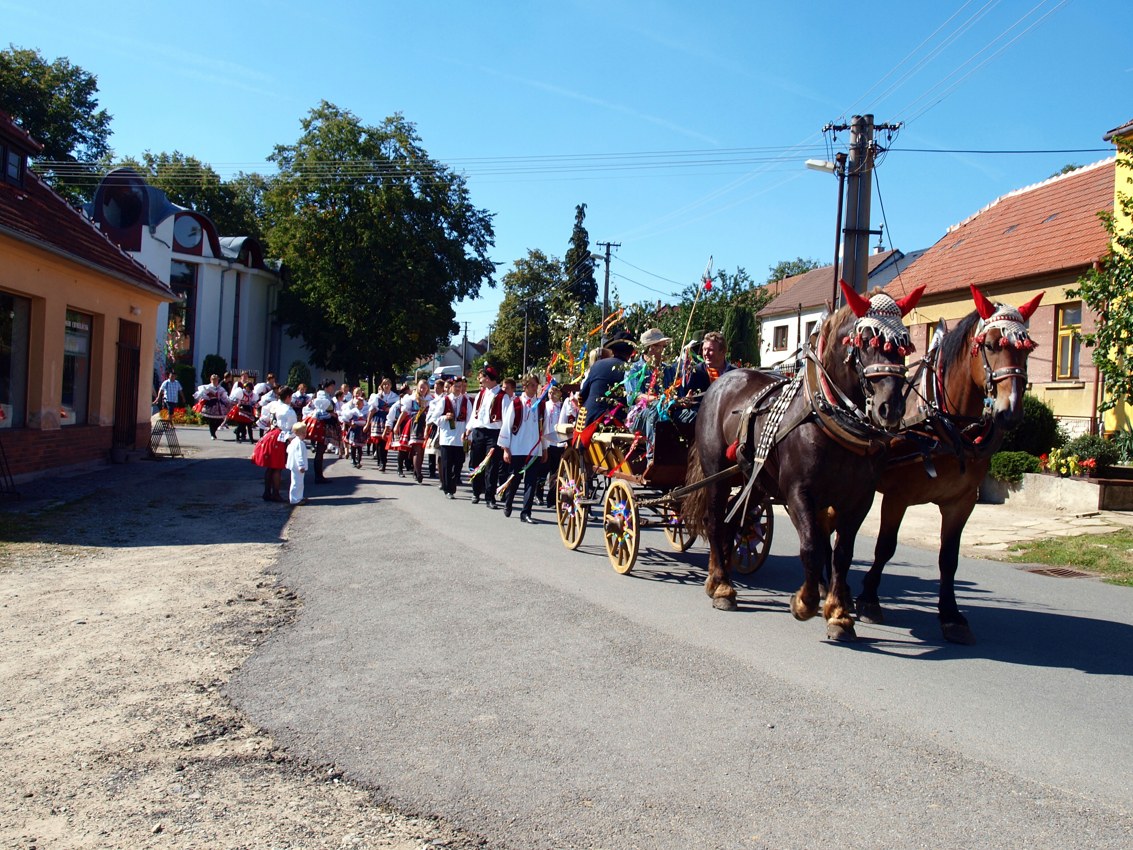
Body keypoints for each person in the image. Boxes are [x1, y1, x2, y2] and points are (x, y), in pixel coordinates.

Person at [497, 373, 551, 523]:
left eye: (536, 385)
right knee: (515, 479)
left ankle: (526, 512)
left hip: (534, 449)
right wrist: (506, 449)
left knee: (531, 482)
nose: (534, 388)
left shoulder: (541, 405)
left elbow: (544, 428)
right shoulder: (516, 403)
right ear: (525, 386)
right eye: (532, 385)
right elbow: (507, 426)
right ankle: (508, 502)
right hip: (517, 448)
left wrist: (545, 448)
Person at [625, 328, 676, 470]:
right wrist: (658, 399)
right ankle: (652, 459)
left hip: (666, 411)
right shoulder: (634, 369)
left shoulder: (668, 369)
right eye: (660, 346)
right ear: (650, 348)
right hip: (639, 416)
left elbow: (675, 391)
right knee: (653, 411)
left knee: (690, 414)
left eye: (664, 346)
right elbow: (634, 396)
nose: (663, 350)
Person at [577, 330, 637, 436]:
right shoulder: (632, 370)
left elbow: (582, 394)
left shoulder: (597, 365)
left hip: (589, 421)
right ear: (631, 353)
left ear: (612, 350)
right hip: (617, 423)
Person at [467, 365, 507, 508]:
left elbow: (506, 420)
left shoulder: (502, 396)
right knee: (475, 462)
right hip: (479, 431)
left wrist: (504, 439)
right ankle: (476, 492)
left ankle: (490, 497)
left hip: (493, 433)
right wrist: (468, 429)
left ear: (488, 378)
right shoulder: (481, 394)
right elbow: (474, 414)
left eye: (482, 377)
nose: (480, 380)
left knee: (491, 466)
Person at [253, 385, 296, 502]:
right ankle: (275, 493)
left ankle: (267, 492)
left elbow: (264, 416)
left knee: (270, 467)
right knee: (277, 467)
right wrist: (292, 441)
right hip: (280, 436)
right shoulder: (289, 410)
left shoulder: (273, 405)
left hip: (270, 434)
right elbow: (292, 429)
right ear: (288, 397)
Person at [436, 376, 471, 499]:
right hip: (447, 437)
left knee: (459, 462)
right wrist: (445, 417)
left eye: (460, 386)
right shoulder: (444, 400)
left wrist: (468, 434)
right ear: (450, 387)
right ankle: (448, 489)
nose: (458, 389)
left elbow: (470, 419)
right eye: (456, 386)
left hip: (460, 438)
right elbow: (435, 418)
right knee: (447, 464)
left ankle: (454, 480)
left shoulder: (466, 401)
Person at [393, 379, 431, 483]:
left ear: (427, 388)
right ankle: (416, 472)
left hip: (425, 424)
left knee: (421, 449)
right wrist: (397, 425)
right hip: (415, 423)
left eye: (424, 387)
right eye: (421, 387)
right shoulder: (412, 398)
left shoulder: (430, 399)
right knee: (414, 448)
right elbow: (405, 412)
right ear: (417, 387)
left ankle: (416, 471)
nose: (422, 389)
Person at [366, 378, 399, 471]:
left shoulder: (395, 397)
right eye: (384, 384)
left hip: (389, 419)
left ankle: (383, 461)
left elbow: (398, 409)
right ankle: (381, 461)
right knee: (379, 441)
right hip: (379, 419)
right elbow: (372, 409)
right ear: (382, 386)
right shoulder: (377, 396)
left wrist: (390, 409)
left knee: (385, 440)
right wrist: (368, 423)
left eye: (388, 384)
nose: (386, 386)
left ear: (391, 385)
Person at [194, 374, 231, 440]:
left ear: (218, 380)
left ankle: (214, 431)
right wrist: (207, 397)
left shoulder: (220, 388)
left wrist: (228, 402)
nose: (215, 381)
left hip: (218, 405)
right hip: (210, 404)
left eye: (216, 379)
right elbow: (202, 394)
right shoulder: (207, 387)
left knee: (220, 420)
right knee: (211, 420)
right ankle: (212, 434)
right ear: (211, 380)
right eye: (213, 379)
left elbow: (224, 397)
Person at [227, 378, 258, 443]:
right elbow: (235, 399)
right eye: (247, 387)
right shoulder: (241, 392)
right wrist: (238, 403)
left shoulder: (252, 394)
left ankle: (251, 439)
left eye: (249, 387)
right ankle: (237, 438)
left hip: (248, 409)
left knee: (249, 425)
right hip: (241, 409)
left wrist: (254, 405)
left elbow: (253, 402)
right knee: (241, 425)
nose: (248, 388)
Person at [286, 422, 309, 505]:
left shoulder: (294, 441)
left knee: (299, 482)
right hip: (297, 466)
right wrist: (301, 466)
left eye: (305, 432)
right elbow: (299, 456)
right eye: (302, 432)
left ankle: (299, 497)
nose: (304, 434)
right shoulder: (299, 443)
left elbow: (288, 450)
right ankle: (295, 499)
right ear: (296, 433)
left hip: (294, 465)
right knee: (297, 483)